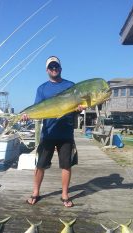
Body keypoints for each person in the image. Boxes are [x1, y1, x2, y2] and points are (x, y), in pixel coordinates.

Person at [23, 56, 83, 207]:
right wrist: (26, 115)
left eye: (56, 66)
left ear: (60, 68)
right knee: (40, 165)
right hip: (48, 133)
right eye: (51, 67)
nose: (54, 69)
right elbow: (37, 109)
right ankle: (35, 192)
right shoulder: (42, 88)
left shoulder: (71, 86)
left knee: (66, 165)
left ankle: (64, 195)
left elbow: (76, 107)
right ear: (47, 70)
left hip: (66, 133)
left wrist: (79, 109)